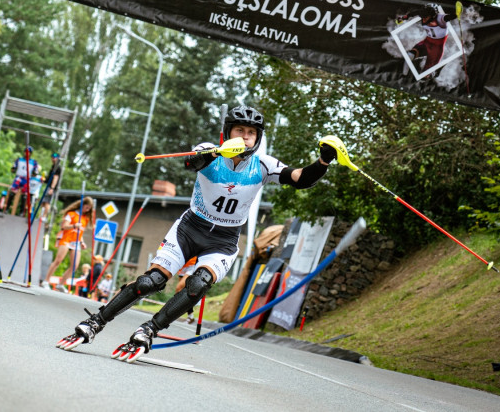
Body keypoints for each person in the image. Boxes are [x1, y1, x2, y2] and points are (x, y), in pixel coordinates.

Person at [57, 105, 337, 362]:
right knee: (150, 281)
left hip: (224, 239)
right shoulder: (208, 150)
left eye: (251, 133)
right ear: (227, 133)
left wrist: (322, 162)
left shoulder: (263, 165)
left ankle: (149, 331)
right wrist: (217, 151)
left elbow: (300, 179)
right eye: (239, 130)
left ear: (258, 138)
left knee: (198, 284)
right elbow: (191, 162)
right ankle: (96, 322)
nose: (245, 137)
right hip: (190, 228)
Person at [43, 197, 93, 291]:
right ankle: (46, 281)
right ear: (82, 205)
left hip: (76, 242)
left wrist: (82, 242)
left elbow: (80, 232)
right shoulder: (71, 214)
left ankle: (60, 284)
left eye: (89, 208)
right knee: (58, 260)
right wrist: (74, 225)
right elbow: (64, 226)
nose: (87, 210)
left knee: (74, 266)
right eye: (86, 207)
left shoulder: (85, 219)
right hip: (66, 239)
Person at [397, 3, 457, 74]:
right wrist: (403, 18)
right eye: (423, 17)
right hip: (427, 42)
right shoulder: (423, 13)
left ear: (433, 16)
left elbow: (449, 17)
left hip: (437, 48)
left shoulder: (440, 18)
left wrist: (457, 14)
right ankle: (404, 75)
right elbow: (413, 14)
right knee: (410, 55)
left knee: (427, 74)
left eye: (426, 17)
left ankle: (436, 71)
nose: (424, 19)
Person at [7, 147, 40, 216]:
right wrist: (13, 169)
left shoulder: (33, 162)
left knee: (25, 195)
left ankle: (21, 212)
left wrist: (35, 173)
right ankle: (7, 208)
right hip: (19, 177)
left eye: (28, 152)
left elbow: (36, 172)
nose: (27, 153)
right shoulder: (19, 160)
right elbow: (13, 168)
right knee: (12, 192)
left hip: (27, 179)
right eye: (25, 152)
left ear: (30, 153)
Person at [41, 153, 62, 220]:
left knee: (47, 202)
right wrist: (44, 180)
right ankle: (41, 216)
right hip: (49, 186)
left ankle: (44, 217)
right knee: (43, 202)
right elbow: (50, 178)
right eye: (52, 157)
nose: (53, 158)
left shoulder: (57, 167)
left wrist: (52, 188)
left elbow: (55, 178)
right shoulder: (53, 167)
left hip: (51, 187)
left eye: (55, 157)